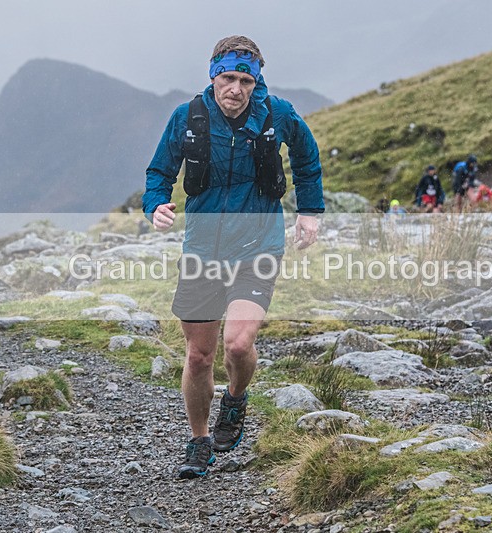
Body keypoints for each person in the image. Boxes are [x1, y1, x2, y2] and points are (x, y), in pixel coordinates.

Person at [142, 36, 325, 479]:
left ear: (256, 82)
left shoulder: (277, 114)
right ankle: (199, 440)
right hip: (203, 250)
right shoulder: (187, 118)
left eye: (246, 80)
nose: (236, 89)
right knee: (200, 355)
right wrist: (156, 205)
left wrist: (310, 212)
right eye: (228, 78)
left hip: (258, 246)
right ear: (213, 75)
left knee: (239, 344)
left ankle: (237, 398)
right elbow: (159, 172)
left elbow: (306, 157)